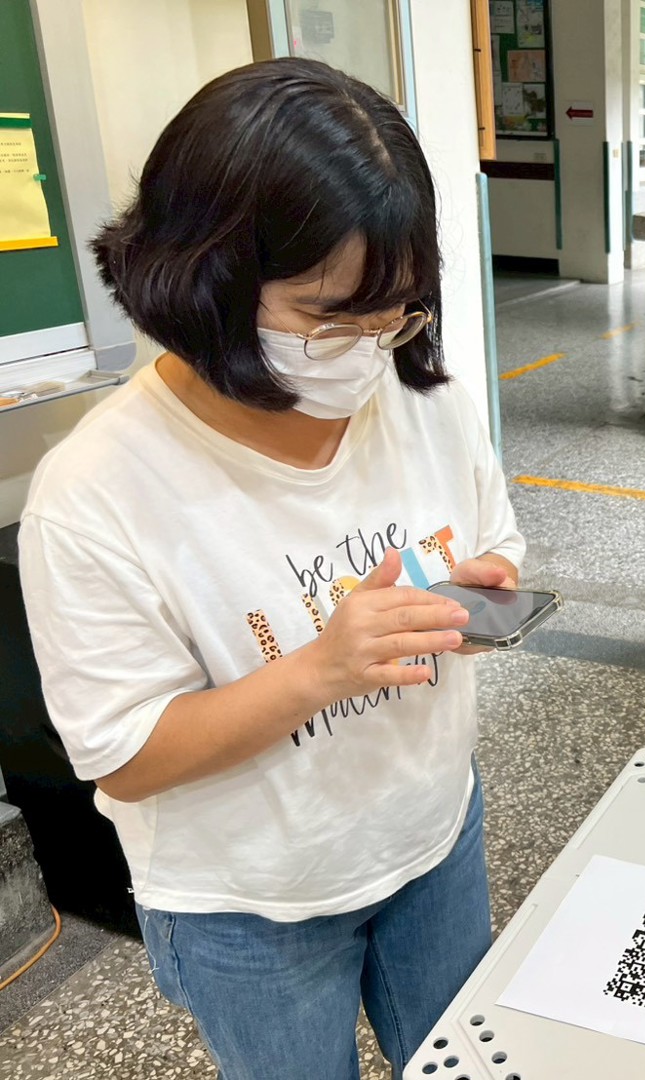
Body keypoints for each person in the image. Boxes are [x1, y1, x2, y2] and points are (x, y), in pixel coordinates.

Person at [19, 58, 524, 1079]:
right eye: (329, 315)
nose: (368, 349)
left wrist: (476, 595)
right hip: (251, 903)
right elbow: (124, 756)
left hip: (433, 831)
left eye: (395, 312)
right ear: (203, 276)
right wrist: (320, 671)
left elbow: (496, 546)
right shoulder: (97, 490)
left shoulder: (420, 398)